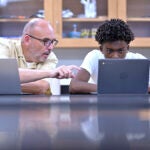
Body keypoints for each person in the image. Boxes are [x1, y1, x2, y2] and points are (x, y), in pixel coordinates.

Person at [0, 18, 79, 95]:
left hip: (34, 106)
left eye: (52, 42)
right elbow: (2, 74)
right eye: (46, 41)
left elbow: (42, 87)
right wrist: (50, 73)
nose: (51, 47)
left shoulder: (50, 57)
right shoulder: (4, 46)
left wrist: (5, 83)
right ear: (27, 39)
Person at [69, 18, 149, 94]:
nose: (115, 56)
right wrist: (115, 89)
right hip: (102, 106)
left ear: (127, 48)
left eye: (120, 51)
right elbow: (74, 86)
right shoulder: (94, 56)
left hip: (133, 106)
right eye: (109, 51)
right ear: (101, 49)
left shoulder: (139, 60)